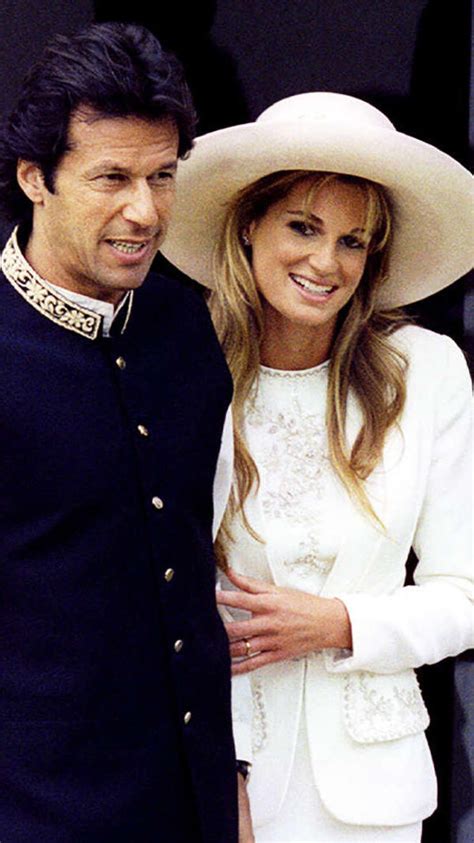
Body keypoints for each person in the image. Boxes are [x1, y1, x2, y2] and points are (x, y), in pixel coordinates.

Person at [161, 92, 474, 842]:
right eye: (303, 227)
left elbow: (465, 592)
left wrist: (340, 623)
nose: (326, 262)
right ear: (249, 224)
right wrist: (220, 773)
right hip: (214, 781)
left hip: (375, 799)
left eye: (353, 241)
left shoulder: (426, 370)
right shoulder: (178, 367)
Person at [0, 22, 238, 843]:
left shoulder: (184, 326)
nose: (146, 210)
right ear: (34, 177)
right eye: (112, 177)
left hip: (192, 806)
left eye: (162, 175)